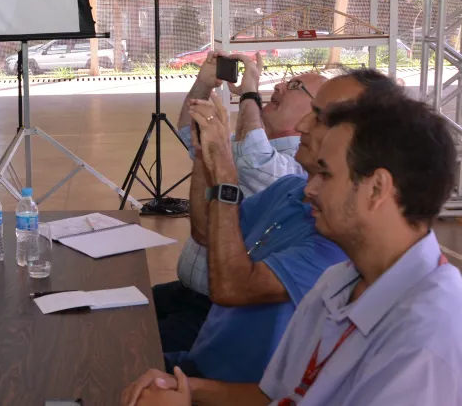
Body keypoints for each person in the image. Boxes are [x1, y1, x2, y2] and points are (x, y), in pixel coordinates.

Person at [122, 88, 462, 406]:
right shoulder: (339, 281)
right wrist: (185, 389)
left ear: (376, 189)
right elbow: (278, 395)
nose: (310, 189)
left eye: (325, 175)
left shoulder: (424, 341)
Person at [161, 69, 398, 384]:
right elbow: (206, 232)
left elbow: (231, 288)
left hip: (229, 385)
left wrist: (224, 174)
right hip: (201, 365)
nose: (302, 126)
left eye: (320, 118)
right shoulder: (291, 189)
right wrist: (206, 154)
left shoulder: (341, 239)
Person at [160, 52, 326, 352]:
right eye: (285, 81)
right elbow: (190, 132)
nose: (279, 87)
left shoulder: (295, 167)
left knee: (123, 345)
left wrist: (249, 92)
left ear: (317, 113)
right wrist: (204, 84)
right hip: (186, 293)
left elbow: (254, 161)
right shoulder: (254, 142)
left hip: (215, 313)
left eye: (295, 86)